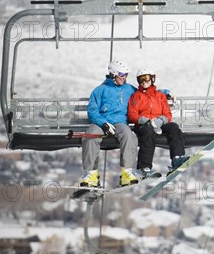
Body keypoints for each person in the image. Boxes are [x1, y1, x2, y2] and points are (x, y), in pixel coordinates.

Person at [80, 59, 139, 187]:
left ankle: (127, 172)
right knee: (90, 135)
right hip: (101, 123)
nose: (125, 78)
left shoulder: (129, 89)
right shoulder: (99, 90)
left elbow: (145, 94)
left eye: (126, 75)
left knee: (128, 135)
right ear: (113, 74)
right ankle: (91, 174)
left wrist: (165, 94)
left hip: (119, 123)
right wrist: (104, 124)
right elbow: (92, 111)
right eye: (122, 75)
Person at [127, 67, 189, 178]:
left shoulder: (160, 96)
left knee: (174, 127)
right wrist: (144, 120)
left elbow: (167, 114)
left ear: (152, 79)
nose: (144, 82)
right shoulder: (136, 96)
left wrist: (161, 121)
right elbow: (132, 114)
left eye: (146, 78)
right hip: (143, 125)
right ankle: (144, 168)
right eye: (141, 79)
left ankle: (177, 158)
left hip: (158, 123)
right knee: (149, 132)